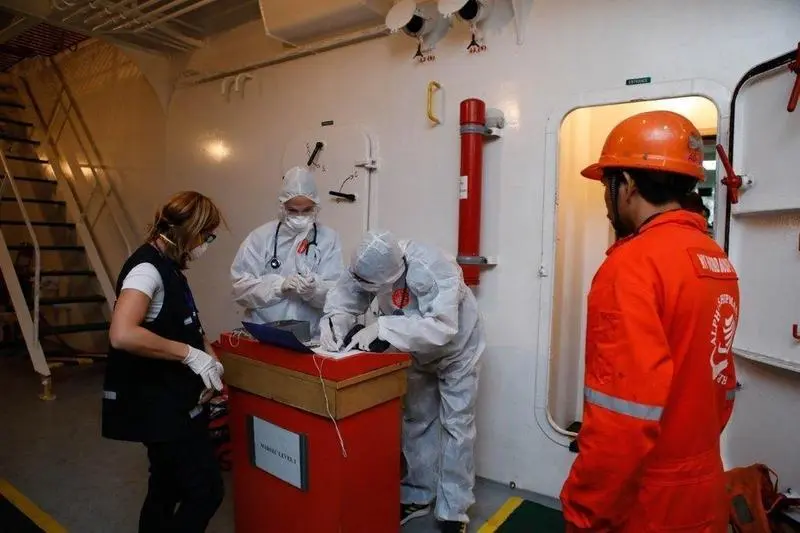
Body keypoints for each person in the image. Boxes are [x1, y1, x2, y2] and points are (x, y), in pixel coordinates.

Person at [560, 110, 739, 532]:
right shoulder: (714, 259)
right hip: (705, 492)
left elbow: (620, 420)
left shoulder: (632, 266)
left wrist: (583, 514)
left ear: (627, 184)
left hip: (649, 504)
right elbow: (721, 385)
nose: (607, 201)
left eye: (606, 186)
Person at [320, 230, 485, 533]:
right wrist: (334, 323)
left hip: (457, 351)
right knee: (416, 420)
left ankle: (454, 511)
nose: (369, 291)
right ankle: (418, 495)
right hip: (413, 351)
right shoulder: (368, 265)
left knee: (457, 426)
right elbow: (347, 296)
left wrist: (383, 328)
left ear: (393, 274)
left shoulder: (433, 266)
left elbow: (443, 327)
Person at [103, 191, 225, 533]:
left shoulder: (170, 269)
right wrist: (190, 355)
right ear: (189, 231)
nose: (206, 244)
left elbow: (184, 321)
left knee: (165, 487)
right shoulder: (146, 270)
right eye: (207, 235)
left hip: (174, 398)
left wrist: (209, 357)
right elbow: (122, 334)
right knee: (206, 492)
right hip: (160, 406)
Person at [231, 166, 343, 339]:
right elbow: (240, 289)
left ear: (316, 207)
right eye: (293, 210)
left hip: (310, 335)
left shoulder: (328, 238)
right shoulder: (260, 237)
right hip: (264, 333)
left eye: (306, 210)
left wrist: (315, 290)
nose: (300, 216)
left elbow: (337, 293)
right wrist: (278, 287)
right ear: (282, 207)